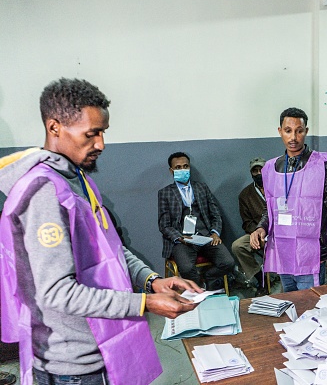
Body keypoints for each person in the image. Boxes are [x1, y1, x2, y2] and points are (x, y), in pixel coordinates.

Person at [0, 78, 202, 385]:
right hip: (70, 364)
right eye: (91, 134)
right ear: (55, 128)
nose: (101, 144)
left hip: (100, 345)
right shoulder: (43, 192)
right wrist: (144, 303)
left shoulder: (77, 180)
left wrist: (152, 281)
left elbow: (111, 248)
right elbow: (57, 293)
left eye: (103, 132)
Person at [249, 107, 327, 292]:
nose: (293, 137)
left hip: (312, 255)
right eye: (288, 131)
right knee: (290, 303)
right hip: (283, 253)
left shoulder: (322, 164)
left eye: (299, 131)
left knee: (309, 307)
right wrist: (261, 227)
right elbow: (271, 209)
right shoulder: (272, 168)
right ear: (279, 131)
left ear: (306, 131)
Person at [158, 152, 235, 291]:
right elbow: (164, 225)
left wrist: (215, 233)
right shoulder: (165, 193)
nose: (183, 170)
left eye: (185, 166)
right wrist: (180, 238)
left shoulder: (201, 187)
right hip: (182, 240)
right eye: (178, 167)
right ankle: (198, 289)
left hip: (205, 236)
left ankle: (208, 278)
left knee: (228, 262)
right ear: (171, 171)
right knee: (186, 268)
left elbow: (216, 214)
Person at [231, 157, 268, 296]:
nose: (259, 173)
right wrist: (257, 234)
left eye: (262, 170)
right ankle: (260, 278)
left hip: (280, 233)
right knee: (238, 246)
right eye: (255, 171)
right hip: (258, 234)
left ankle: (286, 280)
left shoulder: (279, 188)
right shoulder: (245, 195)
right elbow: (247, 222)